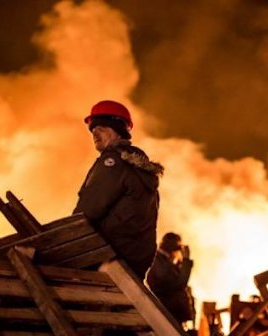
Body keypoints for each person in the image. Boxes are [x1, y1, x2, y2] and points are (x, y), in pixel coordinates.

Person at [74, 100, 164, 280]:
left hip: (107, 258)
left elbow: (87, 211)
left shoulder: (113, 162)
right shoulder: (141, 169)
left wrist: (66, 239)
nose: (94, 133)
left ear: (117, 129)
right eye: (92, 130)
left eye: (101, 128)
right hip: (133, 263)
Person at [147, 232, 195, 324]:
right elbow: (179, 284)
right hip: (168, 313)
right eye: (178, 245)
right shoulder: (157, 261)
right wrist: (186, 261)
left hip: (171, 313)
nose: (179, 249)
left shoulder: (163, 261)